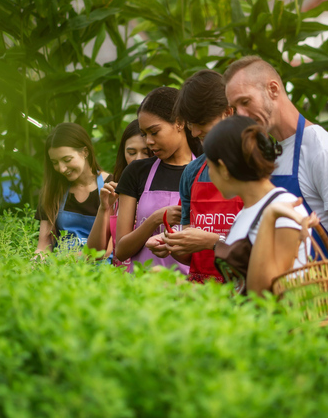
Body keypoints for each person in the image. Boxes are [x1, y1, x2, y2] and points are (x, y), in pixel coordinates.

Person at [224, 56, 328, 264]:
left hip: (313, 292)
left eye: (245, 102)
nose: (240, 114)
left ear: (273, 90)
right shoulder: (274, 149)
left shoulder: (321, 150)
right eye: (234, 108)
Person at [202, 115, 310, 295]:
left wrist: (269, 218)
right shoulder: (244, 212)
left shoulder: (285, 207)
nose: (210, 174)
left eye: (209, 166)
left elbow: (263, 294)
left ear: (224, 168)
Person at [161, 70, 243, 283]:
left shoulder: (257, 168)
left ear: (227, 112)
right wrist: (171, 244)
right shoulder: (192, 172)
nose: (195, 132)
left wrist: (213, 241)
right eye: (190, 124)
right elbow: (189, 254)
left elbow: (265, 251)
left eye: (201, 122)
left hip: (245, 292)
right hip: (201, 294)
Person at [114, 87, 202, 273]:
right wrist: (155, 220)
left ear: (179, 123)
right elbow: (121, 251)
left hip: (192, 291)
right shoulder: (136, 172)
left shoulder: (206, 171)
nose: (148, 142)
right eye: (145, 134)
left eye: (154, 132)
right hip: (144, 291)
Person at [36, 122, 109, 254]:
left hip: (102, 266)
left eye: (67, 159)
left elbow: (113, 246)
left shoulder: (112, 185)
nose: (62, 168)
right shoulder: (52, 190)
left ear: (85, 152)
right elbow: (43, 246)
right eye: (55, 162)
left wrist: (78, 261)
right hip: (62, 267)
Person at [86, 120, 151, 265]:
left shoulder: (164, 193)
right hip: (121, 283)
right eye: (131, 153)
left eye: (146, 152)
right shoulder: (117, 193)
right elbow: (93, 254)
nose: (138, 159)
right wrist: (105, 208)